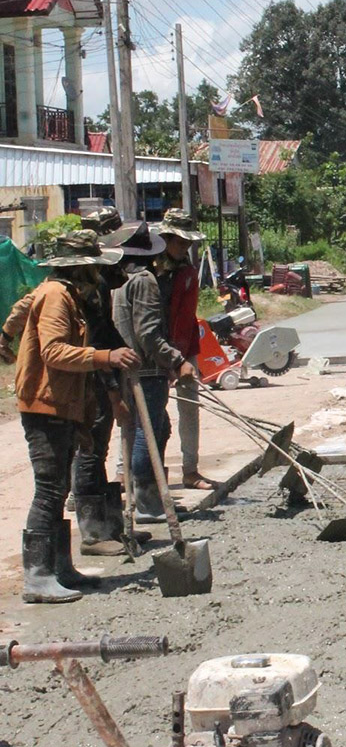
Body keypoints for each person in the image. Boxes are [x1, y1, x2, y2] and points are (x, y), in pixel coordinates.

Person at [16, 230, 139, 603]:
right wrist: (105, 357)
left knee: (58, 488)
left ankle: (58, 567)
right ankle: (38, 577)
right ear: (80, 268)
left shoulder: (70, 296)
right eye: (93, 267)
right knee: (49, 490)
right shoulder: (56, 296)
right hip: (45, 404)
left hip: (62, 403)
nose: (98, 274)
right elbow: (54, 352)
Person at [112, 223, 196, 523]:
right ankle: (147, 503)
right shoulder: (145, 280)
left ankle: (153, 497)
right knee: (147, 432)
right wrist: (176, 360)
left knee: (157, 429)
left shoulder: (120, 279)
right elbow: (148, 333)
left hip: (128, 367)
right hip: (146, 368)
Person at [156, 209, 214, 491]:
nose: (185, 247)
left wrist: (181, 360)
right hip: (153, 349)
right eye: (180, 242)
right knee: (148, 413)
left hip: (184, 351)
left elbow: (186, 317)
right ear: (165, 238)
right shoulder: (148, 272)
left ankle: (190, 470)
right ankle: (129, 472)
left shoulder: (188, 272)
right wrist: (166, 358)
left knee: (190, 409)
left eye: (188, 243)